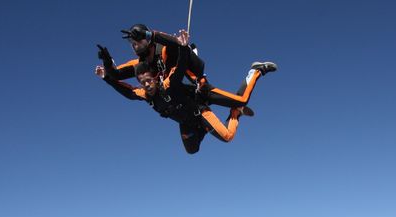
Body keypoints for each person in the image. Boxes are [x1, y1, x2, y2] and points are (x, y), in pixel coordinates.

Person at [95, 36, 277, 154]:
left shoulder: (167, 83)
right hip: (188, 122)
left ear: (156, 78)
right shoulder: (145, 94)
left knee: (228, 136)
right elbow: (127, 91)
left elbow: (180, 67)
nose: (147, 85)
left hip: (199, 108)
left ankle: (251, 81)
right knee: (191, 150)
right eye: (143, 83)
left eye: (149, 81)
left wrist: (183, 48)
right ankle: (204, 129)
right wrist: (107, 77)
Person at [97, 24, 276, 109]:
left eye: (137, 41)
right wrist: (107, 61)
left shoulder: (163, 48)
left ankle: (256, 71)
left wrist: (149, 34)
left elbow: (176, 43)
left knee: (241, 101)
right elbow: (116, 75)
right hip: (181, 91)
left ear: (147, 41)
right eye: (132, 44)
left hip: (196, 80)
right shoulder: (140, 64)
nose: (134, 46)